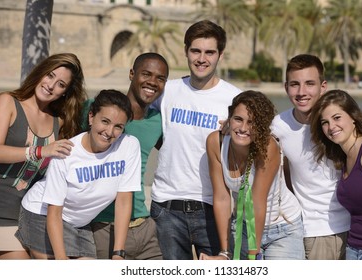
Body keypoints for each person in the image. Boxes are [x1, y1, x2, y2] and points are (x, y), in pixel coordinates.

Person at [150, 20, 241, 260]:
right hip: (166, 208)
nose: (202, 58)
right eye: (196, 51)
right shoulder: (166, 91)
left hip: (213, 210)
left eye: (209, 52)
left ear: (220, 55)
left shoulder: (235, 99)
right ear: (186, 51)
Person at [15, 89, 141, 259]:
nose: (109, 132)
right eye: (105, 121)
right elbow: (54, 212)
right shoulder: (67, 153)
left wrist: (118, 252)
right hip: (41, 215)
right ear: (91, 117)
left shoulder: (129, 146)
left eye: (118, 126)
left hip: (79, 224)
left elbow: (124, 200)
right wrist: (61, 259)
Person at [0, 53, 87, 259]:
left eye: (60, 84)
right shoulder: (8, 103)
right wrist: (40, 151)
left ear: (65, 92)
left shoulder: (60, 122)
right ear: (40, 72)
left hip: (31, 217)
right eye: (49, 75)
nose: (50, 85)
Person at [200, 90, 304, 260]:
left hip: (282, 229)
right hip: (243, 228)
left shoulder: (267, 148)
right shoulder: (216, 143)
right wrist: (224, 253)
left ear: (262, 126)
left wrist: (253, 256)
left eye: (252, 123)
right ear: (229, 118)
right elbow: (222, 198)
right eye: (238, 119)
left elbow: (257, 201)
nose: (243, 128)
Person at [88, 53, 168, 260]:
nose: (152, 82)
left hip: (144, 226)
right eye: (146, 74)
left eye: (160, 78)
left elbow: (182, 151)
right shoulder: (98, 111)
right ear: (132, 74)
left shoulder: (158, 122)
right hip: (103, 227)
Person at [271, 54, 351, 259]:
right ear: (286, 86)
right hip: (307, 231)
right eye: (295, 84)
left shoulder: (338, 123)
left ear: (323, 86)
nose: (301, 92)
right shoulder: (278, 125)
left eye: (309, 84)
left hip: (346, 229)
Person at [310, 89, 362, 260]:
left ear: (353, 117)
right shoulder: (344, 157)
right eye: (325, 122)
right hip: (354, 250)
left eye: (337, 118)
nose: (331, 127)